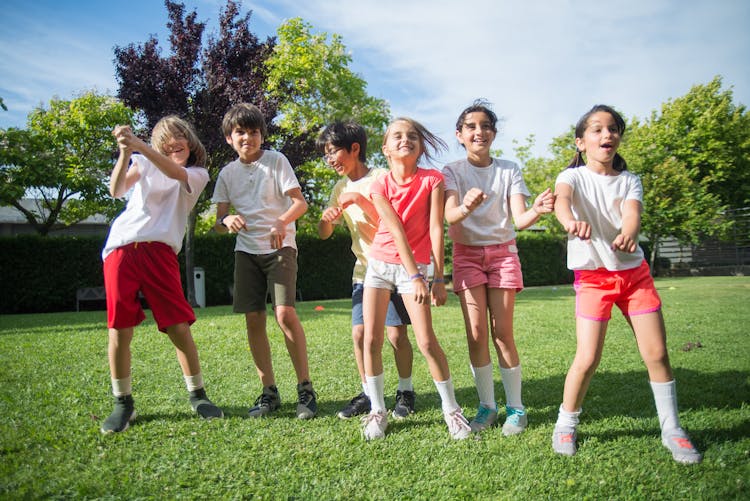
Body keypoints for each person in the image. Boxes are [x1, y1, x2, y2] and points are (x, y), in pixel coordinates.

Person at [552, 104, 702, 464]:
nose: (607, 135)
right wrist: (571, 223)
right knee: (587, 358)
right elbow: (562, 203)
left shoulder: (630, 179)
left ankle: (672, 429)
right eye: (598, 129)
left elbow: (632, 214)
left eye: (613, 129)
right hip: (593, 279)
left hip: (635, 278)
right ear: (581, 141)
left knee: (657, 354)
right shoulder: (571, 176)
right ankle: (565, 423)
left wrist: (628, 234)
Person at [101, 116, 223, 433]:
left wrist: (140, 146)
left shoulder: (197, 174)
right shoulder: (142, 162)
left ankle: (198, 395)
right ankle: (122, 403)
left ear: (191, 141)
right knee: (120, 328)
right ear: (158, 144)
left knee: (178, 325)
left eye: (180, 135)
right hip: (122, 248)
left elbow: (174, 172)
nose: (174, 142)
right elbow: (116, 190)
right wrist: (126, 152)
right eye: (167, 138)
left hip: (160, 251)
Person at [443, 100, 555, 435]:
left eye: (486, 126)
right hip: (466, 256)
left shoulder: (509, 169)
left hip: (504, 255)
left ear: (494, 132)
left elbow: (520, 219)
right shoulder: (452, 171)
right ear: (460, 135)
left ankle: (516, 409)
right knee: (476, 334)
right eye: (472, 127)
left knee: (502, 333)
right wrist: (465, 205)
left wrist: (536, 209)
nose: (480, 132)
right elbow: (449, 217)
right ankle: (487, 407)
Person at [361, 117, 471, 440]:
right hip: (381, 265)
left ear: (420, 146)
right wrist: (415, 275)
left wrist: (437, 276)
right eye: (396, 136)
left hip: (418, 269)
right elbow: (394, 230)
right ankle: (377, 410)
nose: (404, 140)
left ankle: (452, 410)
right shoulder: (378, 185)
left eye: (411, 136)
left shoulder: (433, 180)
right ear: (385, 148)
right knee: (371, 339)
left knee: (426, 341)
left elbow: (437, 227)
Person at [212, 103, 317, 420]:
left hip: (280, 247)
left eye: (254, 131)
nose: (248, 137)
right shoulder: (227, 174)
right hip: (246, 252)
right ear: (230, 139)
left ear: (261, 135)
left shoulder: (276, 161)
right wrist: (227, 219)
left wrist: (281, 222)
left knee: (284, 314)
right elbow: (218, 222)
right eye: (240, 132)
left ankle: (305, 390)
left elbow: (300, 203)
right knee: (254, 320)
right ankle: (269, 391)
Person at [316, 121, 416, 420]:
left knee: (396, 335)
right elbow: (324, 234)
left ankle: (406, 391)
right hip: (363, 271)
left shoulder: (382, 178)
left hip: (393, 267)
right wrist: (326, 218)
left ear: (354, 149)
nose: (330, 160)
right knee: (359, 335)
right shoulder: (339, 187)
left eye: (333, 152)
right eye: (326, 155)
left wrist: (360, 200)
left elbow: (393, 225)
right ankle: (369, 392)